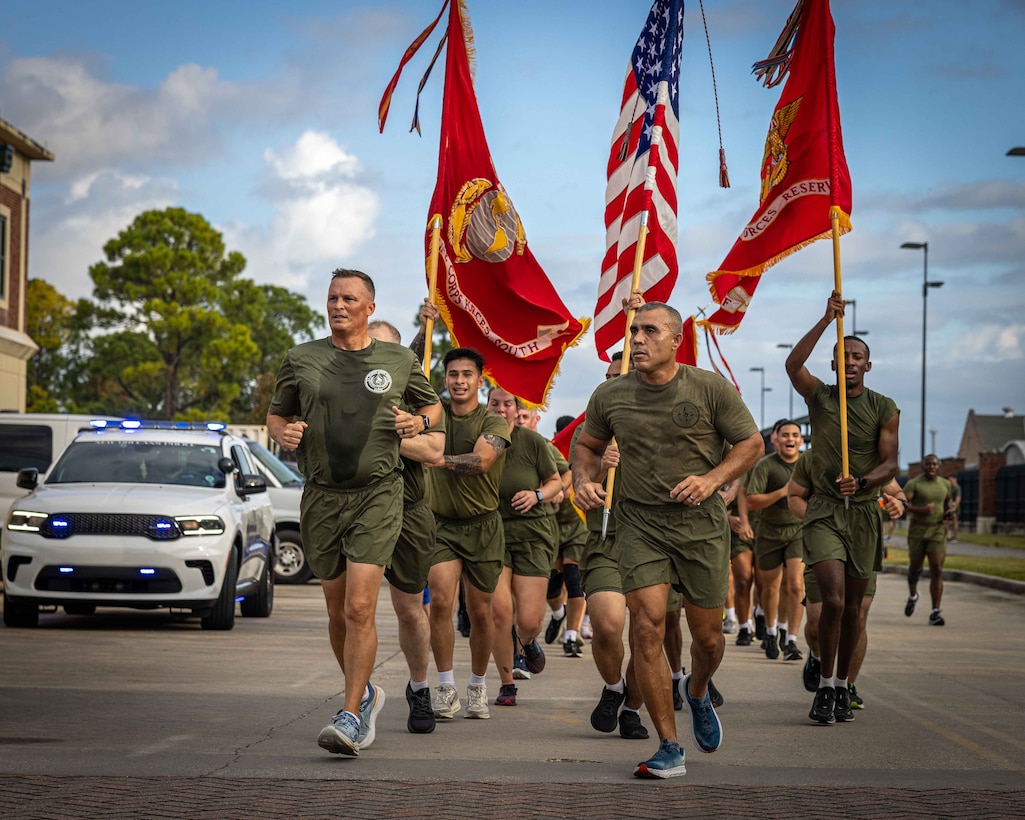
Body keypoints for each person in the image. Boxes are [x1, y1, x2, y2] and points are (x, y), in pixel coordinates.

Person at [574, 301, 763, 778]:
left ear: (676, 340)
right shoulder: (610, 394)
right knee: (647, 626)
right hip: (640, 524)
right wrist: (582, 479)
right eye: (633, 331)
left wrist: (712, 480)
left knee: (708, 638)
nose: (637, 339)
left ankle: (696, 691)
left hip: (699, 527)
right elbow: (586, 444)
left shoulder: (708, 388)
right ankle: (669, 746)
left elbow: (751, 444)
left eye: (649, 331)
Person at [267, 269, 441, 757]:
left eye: (349, 298)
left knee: (360, 607)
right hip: (321, 494)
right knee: (337, 611)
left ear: (370, 306)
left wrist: (419, 419)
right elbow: (277, 414)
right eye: (332, 298)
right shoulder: (301, 358)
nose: (338, 305)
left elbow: (435, 412)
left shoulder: (398, 358)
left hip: (378, 494)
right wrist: (282, 432)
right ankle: (364, 691)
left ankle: (351, 714)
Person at [785, 291, 899, 726]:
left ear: (867, 365)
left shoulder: (884, 407)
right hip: (825, 513)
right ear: (834, 363)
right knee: (831, 600)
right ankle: (825, 685)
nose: (850, 361)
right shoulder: (821, 397)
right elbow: (793, 366)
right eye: (842, 355)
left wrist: (867, 482)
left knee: (854, 609)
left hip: (865, 512)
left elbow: (890, 461)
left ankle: (841, 687)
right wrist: (824, 319)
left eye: (857, 356)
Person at [367, 313, 447, 734]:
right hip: (354, 506)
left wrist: (393, 433)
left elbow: (435, 452)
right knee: (350, 608)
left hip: (408, 511)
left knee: (410, 609)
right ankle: (357, 697)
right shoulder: (341, 386)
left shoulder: (418, 398)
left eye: (381, 347)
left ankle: (419, 688)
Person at [425, 347, 510, 720]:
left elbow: (482, 461)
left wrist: (436, 458)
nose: (459, 381)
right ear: (444, 379)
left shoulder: (494, 423)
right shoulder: (432, 416)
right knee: (441, 603)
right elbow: (400, 376)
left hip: (484, 526)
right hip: (441, 526)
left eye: (466, 375)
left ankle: (477, 686)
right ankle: (445, 687)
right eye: (453, 374)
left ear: (480, 380)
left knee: (480, 612)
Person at [789, 452, 908, 710]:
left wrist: (900, 503)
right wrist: (817, 517)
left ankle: (845, 685)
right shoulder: (812, 458)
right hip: (823, 541)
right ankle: (819, 657)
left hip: (862, 542)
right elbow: (794, 497)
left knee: (858, 616)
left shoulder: (870, 460)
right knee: (818, 622)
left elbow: (897, 492)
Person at [576, 352, 650, 741]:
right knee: (607, 626)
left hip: (656, 543)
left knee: (645, 637)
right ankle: (613, 687)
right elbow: (583, 482)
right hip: (608, 538)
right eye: (606, 376)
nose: (610, 383)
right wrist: (602, 467)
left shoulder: (662, 422)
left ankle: (633, 709)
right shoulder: (595, 429)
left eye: (619, 376)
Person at [485, 387, 562, 707]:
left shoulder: (533, 442)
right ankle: (506, 683)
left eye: (508, 403)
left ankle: (527, 643)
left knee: (529, 620)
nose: (501, 409)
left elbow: (557, 480)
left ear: (517, 410)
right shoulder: (478, 438)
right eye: (495, 403)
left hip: (533, 532)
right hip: (493, 532)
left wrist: (537, 495)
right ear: (486, 406)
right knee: (500, 611)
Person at [745, 420, 806, 662]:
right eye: (785, 435)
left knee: (795, 585)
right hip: (769, 532)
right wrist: (783, 492)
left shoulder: (808, 464)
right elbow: (751, 502)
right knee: (769, 588)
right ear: (776, 439)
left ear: (801, 440)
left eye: (795, 435)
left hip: (797, 531)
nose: (790, 439)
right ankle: (771, 631)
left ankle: (790, 638)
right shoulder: (765, 466)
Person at [903, 454, 952, 626]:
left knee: (937, 569)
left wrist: (949, 512)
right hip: (918, 530)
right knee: (915, 569)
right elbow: (903, 505)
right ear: (923, 466)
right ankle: (913, 595)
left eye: (935, 464)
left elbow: (948, 503)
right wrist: (921, 509)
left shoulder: (945, 484)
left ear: (939, 467)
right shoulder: (914, 484)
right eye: (928, 464)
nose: (932, 467)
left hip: (937, 531)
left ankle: (935, 612)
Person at [946, 475, 961, 543]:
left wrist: (954, 508)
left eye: (951, 480)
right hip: (949, 507)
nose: (950, 481)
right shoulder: (950, 488)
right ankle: (948, 536)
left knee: (954, 521)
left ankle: (955, 537)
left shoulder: (957, 488)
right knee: (946, 521)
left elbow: (958, 498)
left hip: (953, 507)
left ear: (955, 480)